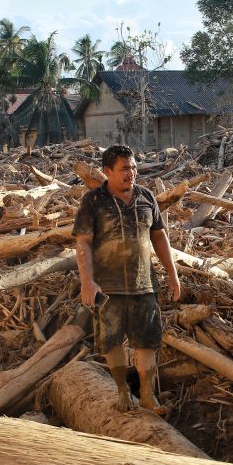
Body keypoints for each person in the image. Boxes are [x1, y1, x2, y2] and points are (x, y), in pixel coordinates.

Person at [73, 144, 181, 413]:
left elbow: (159, 236)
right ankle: (122, 392)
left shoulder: (146, 198)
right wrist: (87, 281)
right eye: (124, 169)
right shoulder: (93, 202)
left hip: (144, 283)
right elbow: (83, 242)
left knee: (147, 341)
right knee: (111, 341)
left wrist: (172, 272)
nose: (131, 173)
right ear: (107, 171)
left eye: (133, 167)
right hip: (107, 287)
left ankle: (147, 396)